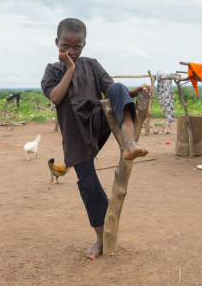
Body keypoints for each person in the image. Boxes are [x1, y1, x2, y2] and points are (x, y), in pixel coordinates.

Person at [41, 18, 152, 260]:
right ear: (56, 43)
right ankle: (101, 236)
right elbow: (55, 98)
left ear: (84, 45)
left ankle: (129, 143)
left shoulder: (92, 65)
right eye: (64, 46)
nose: (70, 51)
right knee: (88, 185)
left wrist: (133, 91)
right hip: (75, 134)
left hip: (96, 120)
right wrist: (69, 69)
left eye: (77, 47)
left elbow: (110, 89)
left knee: (118, 87)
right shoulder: (52, 70)